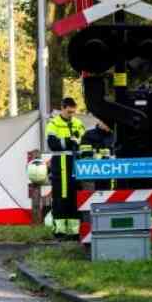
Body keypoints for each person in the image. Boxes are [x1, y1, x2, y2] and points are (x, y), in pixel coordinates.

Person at [46, 98, 85, 239]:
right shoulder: (53, 123)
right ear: (62, 108)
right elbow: (52, 144)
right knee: (60, 198)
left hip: (74, 163)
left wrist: (72, 143)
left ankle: (74, 232)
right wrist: (70, 141)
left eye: (73, 112)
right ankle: (60, 231)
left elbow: (82, 141)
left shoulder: (78, 123)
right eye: (69, 112)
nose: (71, 115)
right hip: (59, 164)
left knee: (74, 197)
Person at [79, 120, 115, 191]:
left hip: (112, 173)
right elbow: (84, 152)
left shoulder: (114, 135)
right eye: (105, 122)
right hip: (94, 173)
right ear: (99, 121)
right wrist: (99, 151)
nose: (108, 125)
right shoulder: (89, 134)